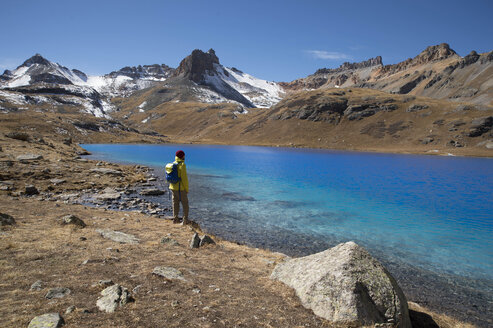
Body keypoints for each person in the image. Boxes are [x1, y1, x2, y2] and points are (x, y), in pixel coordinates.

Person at [169, 150, 189, 225]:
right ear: (182, 156)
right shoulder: (182, 165)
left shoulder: (173, 164)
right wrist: (186, 189)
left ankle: (175, 219)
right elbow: (184, 179)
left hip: (172, 187)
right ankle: (185, 220)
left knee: (175, 203)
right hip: (180, 188)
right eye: (184, 155)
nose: (184, 157)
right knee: (185, 204)